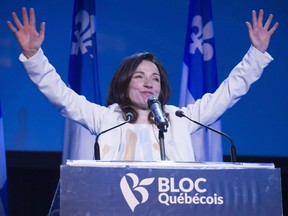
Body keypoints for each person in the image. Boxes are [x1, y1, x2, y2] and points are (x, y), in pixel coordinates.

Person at [7, 8, 278, 161]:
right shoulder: (106, 118)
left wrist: (255, 55)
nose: (149, 83)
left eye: (155, 78)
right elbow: (62, 96)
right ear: (124, 83)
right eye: (140, 76)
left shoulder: (179, 119)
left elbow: (228, 94)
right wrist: (34, 56)